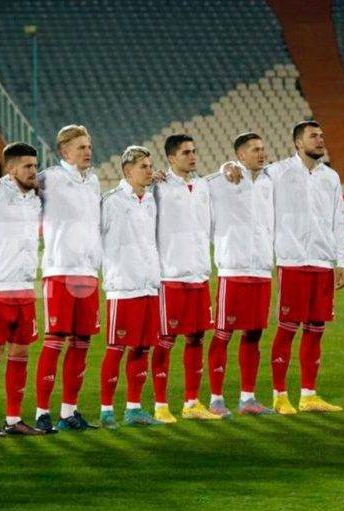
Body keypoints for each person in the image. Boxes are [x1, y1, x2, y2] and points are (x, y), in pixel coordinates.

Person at [226, 121, 344, 413]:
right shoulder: (277, 172)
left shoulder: (330, 177)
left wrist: (341, 260)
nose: (320, 140)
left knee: (316, 329)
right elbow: (245, 170)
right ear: (298, 143)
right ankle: (280, 395)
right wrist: (227, 167)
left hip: (322, 262)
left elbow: (339, 219)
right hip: (292, 262)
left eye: (322, 135)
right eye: (313, 136)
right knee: (287, 329)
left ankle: (308, 395)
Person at [34, 125, 101, 432]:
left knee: (82, 342)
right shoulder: (51, 177)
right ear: (64, 152)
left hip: (88, 272)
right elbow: (18, 182)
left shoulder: (94, 181)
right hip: (60, 270)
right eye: (81, 147)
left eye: (88, 146)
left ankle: (68, 412)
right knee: (55, 341)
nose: (88, 151)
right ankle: (40, 413)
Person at [150, 134, 219, 423]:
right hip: (171, 276)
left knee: (197, 338)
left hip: (198, 274)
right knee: (165, 340)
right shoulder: (159, 187)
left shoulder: (203, 186)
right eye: (186, 152)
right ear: (171, 158)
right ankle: (161, 405)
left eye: (194, 151)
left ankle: (192, 402)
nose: (193, 156)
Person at [0, 143, 44, 436]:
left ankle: (14, 419)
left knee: (21, 353)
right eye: (27, 166)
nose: (34, 171)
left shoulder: (36, 199)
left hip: (25, 287)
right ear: (11, 168)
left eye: (35, 166)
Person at [207, 133, 275, 417]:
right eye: (255, 150)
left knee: (254, 334)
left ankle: (248, 398)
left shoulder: (269, 182)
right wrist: (225, 167)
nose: (262, 153)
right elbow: (199, 184)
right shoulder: (225, 179)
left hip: (261, 269)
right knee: (223, 333)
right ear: (241, 155)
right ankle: (215, 399)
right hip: (233, 269)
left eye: (263, 148)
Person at [99, 145, 163, 426]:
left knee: (143, 348)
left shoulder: (150, 201)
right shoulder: (111, 201)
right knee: (117, 348)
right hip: (123, 287)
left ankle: (134, 408)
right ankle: (106, 410)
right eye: (144, 167)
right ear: (127, 171)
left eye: (150, 166)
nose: (149, 171)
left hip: (149, 286)